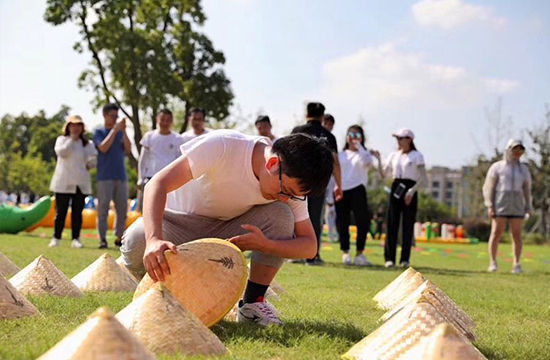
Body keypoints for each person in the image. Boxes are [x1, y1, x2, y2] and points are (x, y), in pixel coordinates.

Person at [121, 130, 333, 326]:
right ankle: (152, 291)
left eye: (292, 195)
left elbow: (309, 246)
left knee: (281, 214)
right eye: (284, 190)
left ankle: (252, 304)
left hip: (228, 231)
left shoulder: (290, 186)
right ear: (273, 163)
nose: (285, 198)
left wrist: (267, 245)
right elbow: (157, 183)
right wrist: (154, 239)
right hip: (180, 224)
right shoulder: (222, 146)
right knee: (137, 240)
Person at [291, 103, 343, 265]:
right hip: (318, 184)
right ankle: (312, 256)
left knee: (295, 217)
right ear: (322, 116)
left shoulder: (298, 131)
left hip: (297, 182)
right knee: (315, 219)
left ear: (306, 114)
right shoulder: (328, 135)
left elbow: (287, 156)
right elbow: (335, 163)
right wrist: (339, 186)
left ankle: (294, 254)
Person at [375, 128, 427, 268]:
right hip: (396, 187)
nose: (398, 141)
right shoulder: (394, 155)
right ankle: (389, 258)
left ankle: (405, 259)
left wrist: (411, 192)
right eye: (397, 138)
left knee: (407, 225)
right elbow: (383, 174)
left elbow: (423, 179)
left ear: (409, 139)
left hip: (410, 189)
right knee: (392, 223)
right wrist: (379, 159)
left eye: (400, 138)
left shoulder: (417, 156)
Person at [482, 139, 532, 274]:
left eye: (520, 150)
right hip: (500, 203)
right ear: (508, 150)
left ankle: (516, 264)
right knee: (496, 232)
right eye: (515, 149)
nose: (517, 152)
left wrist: (528, 206)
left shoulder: (523, 169)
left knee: (516, 234)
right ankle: (493, 262)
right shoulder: (497, 167)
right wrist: (490, 205)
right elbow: (489, 187)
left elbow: (527, 189)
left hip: (517, 204)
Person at [49, 115, 97, 248]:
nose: (75, 128)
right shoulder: (62, 140)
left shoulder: (88, 144)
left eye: (78, 125)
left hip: (80, 183)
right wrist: (72, 139)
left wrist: (91, 162)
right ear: (68, 126)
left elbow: (93, 160)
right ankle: (56, 237)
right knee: (61, 212)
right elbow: (62, 153)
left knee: (77, 213)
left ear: (82, 128)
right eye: (73, 125)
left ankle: (76, 238)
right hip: (63, 181)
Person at [336, 125, 379, 266]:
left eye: (357, 135)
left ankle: (360, 253)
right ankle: (345, 252)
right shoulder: (340, 154)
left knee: (362, 222)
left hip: (358, 190)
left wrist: (360, 146)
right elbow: (334, 174)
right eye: (351, 135)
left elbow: (368, 163)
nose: (353, 138)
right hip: (341, 190)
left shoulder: (363, 153)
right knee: (343, 222)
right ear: (346, 137)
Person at [93, 103, 131, 249]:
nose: (115, 119)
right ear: (104, 115)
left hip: (121, 176)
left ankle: (118, 237)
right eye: (112, 116)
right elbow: (103, 147)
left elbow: (128, 149)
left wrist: (124, 131)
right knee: (103, 209)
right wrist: (114, 131)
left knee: (122, 210)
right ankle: (102, 239)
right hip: (104, 176)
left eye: (116, 116)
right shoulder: (98, 132)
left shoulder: (120, 133)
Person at [137, 109, 184, 212]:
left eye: (168, 120)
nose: (165, 123)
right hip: (151, 178)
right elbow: (142, 159)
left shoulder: (177, 139)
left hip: (169, 179)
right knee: (149, 209)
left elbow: (180, 160)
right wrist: (140, 177)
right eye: (162, 119)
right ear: (157, 119)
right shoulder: (149, 136)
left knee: (168, 210)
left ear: (172, 121)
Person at [322, 114, 337, 243]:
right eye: (326, 124)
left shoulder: (331, 140)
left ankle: (332, 234)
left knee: (330, 211)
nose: (328, 127)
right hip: (318, 179)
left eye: (330, 125)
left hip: (329, 179)